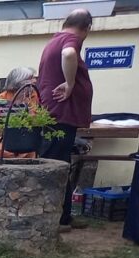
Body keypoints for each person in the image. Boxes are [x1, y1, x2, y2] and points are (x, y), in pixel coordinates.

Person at [38, 9, 94, 231]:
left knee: (61, 164)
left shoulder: (55, 39)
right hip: (60, 115)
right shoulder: (70, 40)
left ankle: (64, 216)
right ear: (87, 28)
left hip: (58, 114)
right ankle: (52, 220)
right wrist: (70, 84)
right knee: (55, 166)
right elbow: (69, 54)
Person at [0, 66, 40, 158]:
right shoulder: (2, 98)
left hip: (25, 136)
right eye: (31, 78)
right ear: (19, 82)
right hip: (2, 136)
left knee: (29, 150)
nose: (35, 81)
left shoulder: (33, 96)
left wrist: (30, 111)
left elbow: (36, 119)